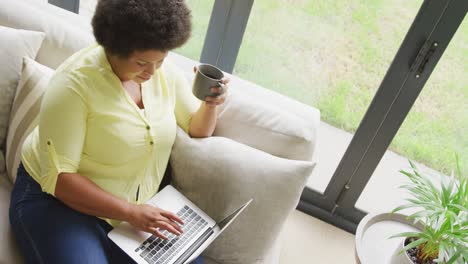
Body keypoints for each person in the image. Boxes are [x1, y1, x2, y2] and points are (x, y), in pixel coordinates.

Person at [9, 0, 229, 263]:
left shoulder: (162, 73)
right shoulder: (73, 85)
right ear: (113, 47)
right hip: (57, 204)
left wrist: (211, 103)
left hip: (134, 212)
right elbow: (60, 179)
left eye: (161, 59)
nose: (152, 71)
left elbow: (196, 128)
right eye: (141, 63)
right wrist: (131, 212)